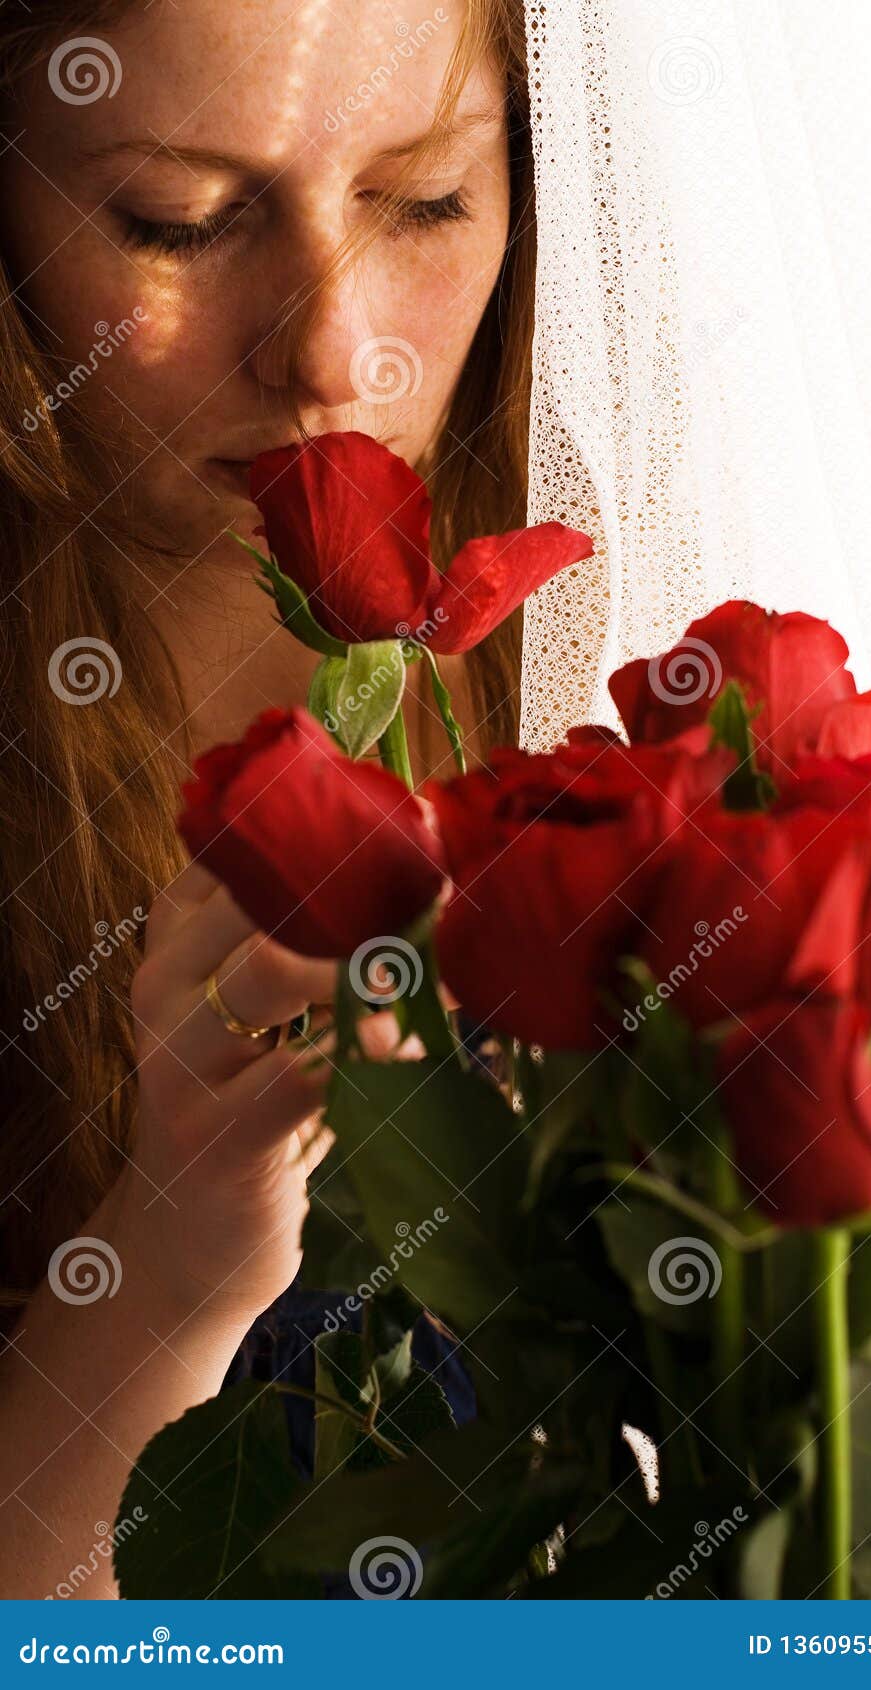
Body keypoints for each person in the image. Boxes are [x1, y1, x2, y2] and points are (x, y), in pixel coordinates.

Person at [0, 0, 531, 1598]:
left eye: (428, 196)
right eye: (181, 220)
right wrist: (167, 1267)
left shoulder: (647, 640)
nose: (330, 350)